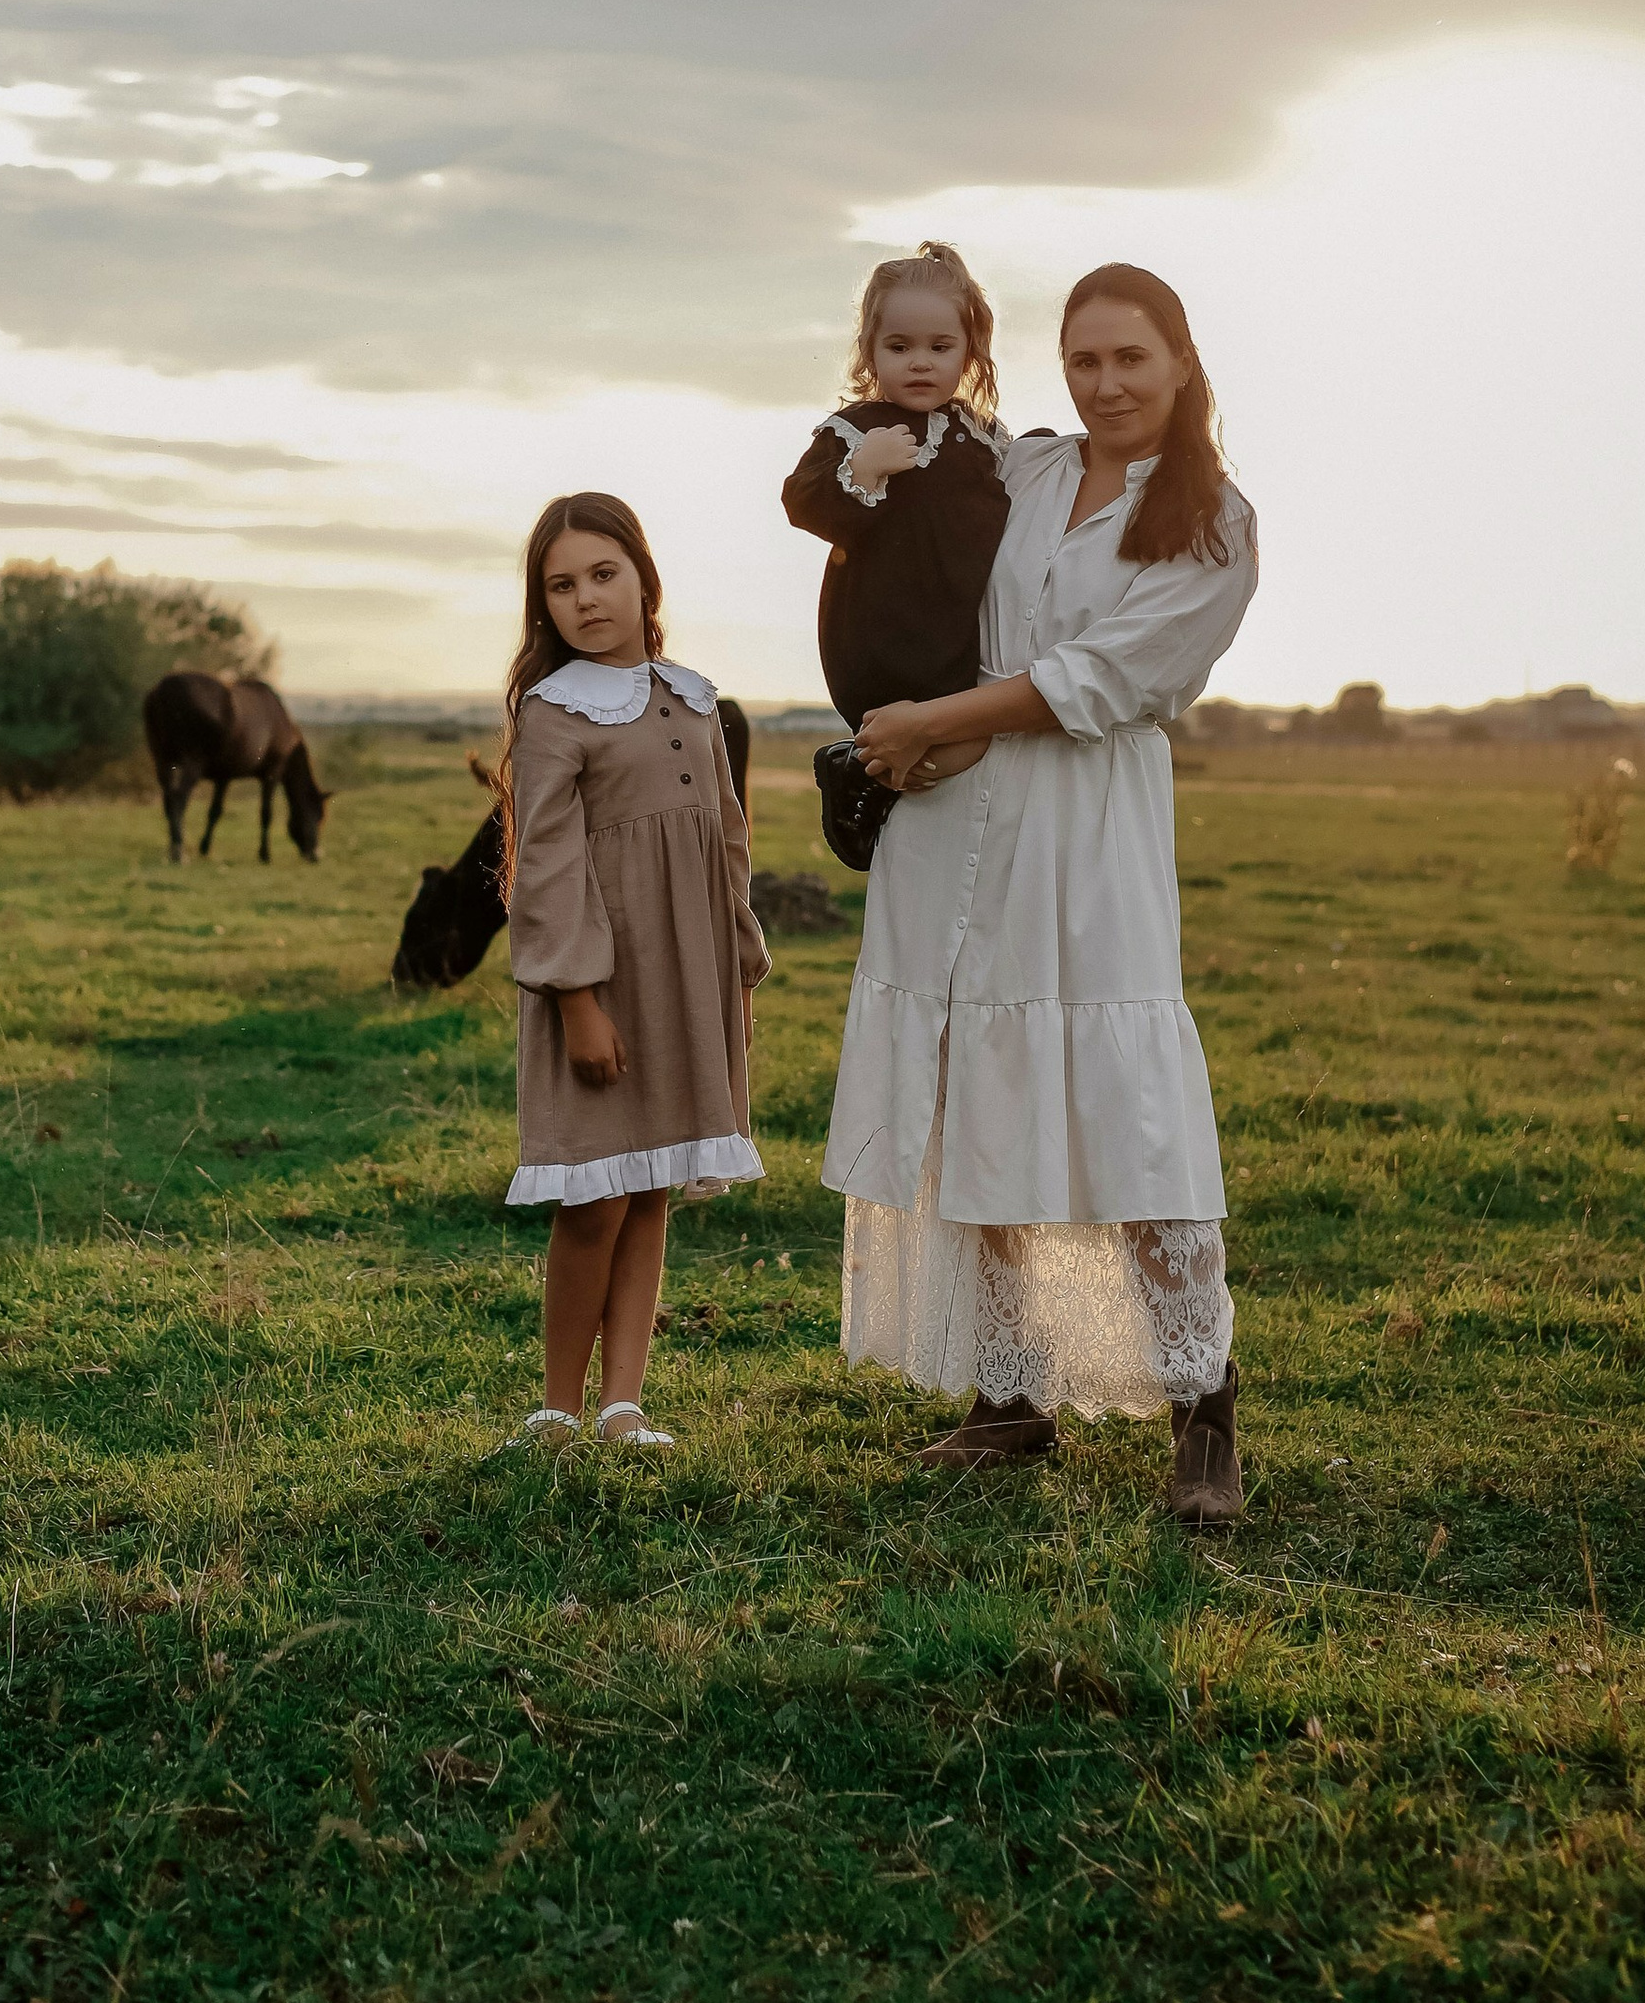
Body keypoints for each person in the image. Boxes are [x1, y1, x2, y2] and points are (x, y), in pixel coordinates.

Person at [823, 264, 1259, 1519]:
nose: (1107, 384)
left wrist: (925, 717)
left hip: (1085, 826)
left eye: (1130, 359)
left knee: (1131, 1111)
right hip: (949, 811)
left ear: (1179, 364)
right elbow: (896, 544)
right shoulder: (1021, 471)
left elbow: (1098, 679)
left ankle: (1202, 1408)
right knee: (977, 1087)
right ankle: (1010, 1394)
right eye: (1084, 362)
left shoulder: (1215, 521)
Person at [498, 491, 769, 1453]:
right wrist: (578, 1001)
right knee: (594, 1196)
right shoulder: (552, 714)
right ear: (545, 607)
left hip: (687, 986)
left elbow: (726, 846)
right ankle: (558, 1410)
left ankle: (624, 1406)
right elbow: (549, 867)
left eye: (603, 574)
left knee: (650, 1189)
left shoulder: (691, 699)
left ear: (644, 578)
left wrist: (739, 970)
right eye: (561, 585)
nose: (586, 599)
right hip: (603, 989)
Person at [779, 242, 1010, 871]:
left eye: (940, 348)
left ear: (968, 352)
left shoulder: (981, 437)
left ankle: (863, 773)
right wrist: (861, 470)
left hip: (953, 631)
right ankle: (859, 773)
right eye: (899, 347)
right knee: (934, 742)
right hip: (880, 629)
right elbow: (802, 502)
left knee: (964, 747)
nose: (920, 363)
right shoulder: (857, 428)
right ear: (870, 352)